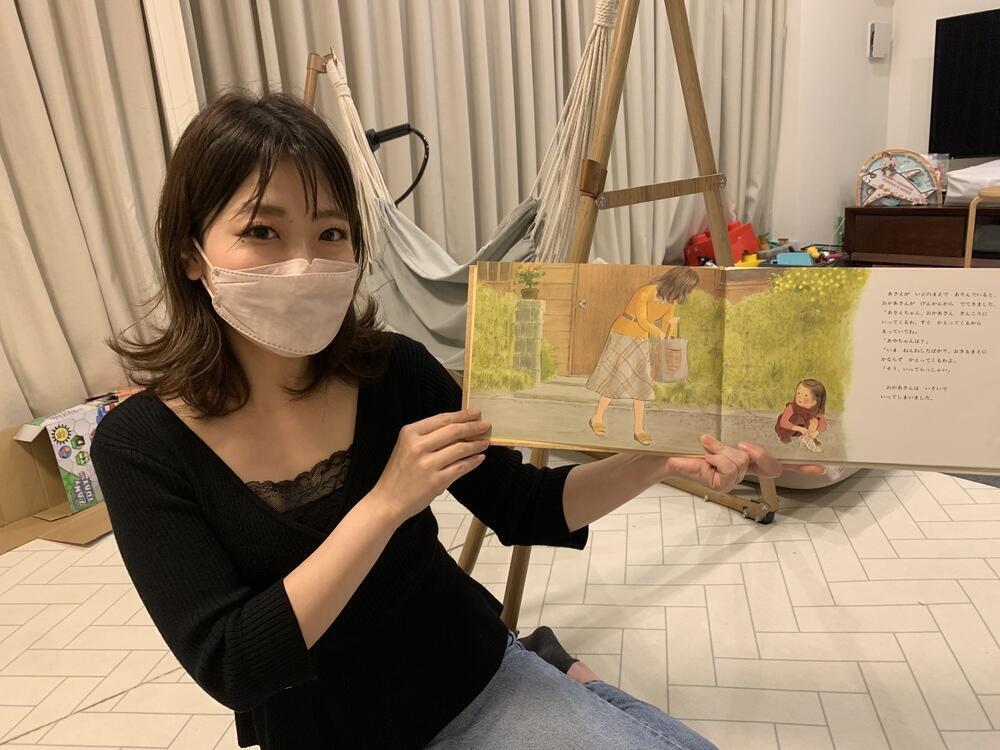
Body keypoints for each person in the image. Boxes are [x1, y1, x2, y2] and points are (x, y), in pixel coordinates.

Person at [92, 91, 822, 750]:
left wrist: (657, 458)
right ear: (191, 254)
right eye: (262, 231)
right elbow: (233, 664)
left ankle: (544, 668)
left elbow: (526, 506)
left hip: (469, 678)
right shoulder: (140, 446)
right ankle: (568, 674)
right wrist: (384, 504)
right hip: (324, 729)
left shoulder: (394, 371)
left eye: (331, 233)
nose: (304, 263)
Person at [587, 267, 699, 446]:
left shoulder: (671, 301)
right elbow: (641, 320)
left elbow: (666, 323)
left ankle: (639, 429)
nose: (686, 293)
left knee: (642, 382)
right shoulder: (646, 291)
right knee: (616, 378)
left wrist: (669, 332)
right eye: (686, 288)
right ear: (678, 283)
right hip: (623, 333)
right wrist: (658, 333)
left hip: (642, 338)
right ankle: (597, 417)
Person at [775, 379, 828, 453]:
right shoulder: (792, 407)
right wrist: (799, 428)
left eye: (805, 395)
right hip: (789, 429)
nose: (799, 397)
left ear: (814, 402)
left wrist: (816, 432)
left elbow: (823, 425)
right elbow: (783, 422)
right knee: (796, 419)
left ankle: (806, 438)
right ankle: (787, 437)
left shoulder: (816, 411)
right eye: (798, 393)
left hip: (803, 431)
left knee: (815, 420)